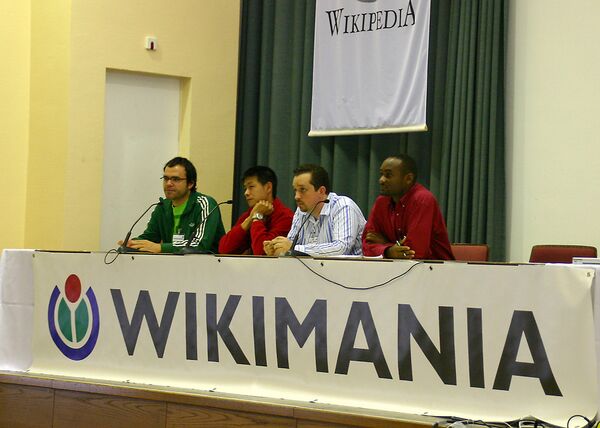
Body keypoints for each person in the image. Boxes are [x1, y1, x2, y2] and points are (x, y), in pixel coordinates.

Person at [120, 157, 225, 253]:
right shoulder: (162, 206)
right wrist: (132, 244)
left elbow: (200, 244)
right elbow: (150, 237)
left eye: (175, 179)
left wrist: (161, 248)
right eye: (166, 178)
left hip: (207, 265)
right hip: (174, 264)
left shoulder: (205, 204)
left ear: (190, 184)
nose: (168, 183)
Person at [362, 154, 454, 260]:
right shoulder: (381, 202)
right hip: (393, 267)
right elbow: (366, 245)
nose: (381, 180)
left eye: (388, 175)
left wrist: (386, 246)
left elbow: (414, 252)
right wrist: (388, 250)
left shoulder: (422, 200)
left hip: (436, 267)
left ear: (408, 179)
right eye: (381, 174)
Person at [264, 164, 366, 257]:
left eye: (302, 190)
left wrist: (294, 248)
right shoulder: (301, 212)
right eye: (295, 190)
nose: (296, 196)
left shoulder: (343, 206)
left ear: (321, 191)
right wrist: (277, 249)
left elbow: (341, 248)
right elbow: (290, 244)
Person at [218, 166, 293, 255]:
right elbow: (223, 249)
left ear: (268, 187)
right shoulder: (249, 214)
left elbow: (261, 252)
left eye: (251, 187)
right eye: (245, 188)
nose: (246, 193)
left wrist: (257, 218)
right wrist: (249, 220)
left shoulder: (285, 217)